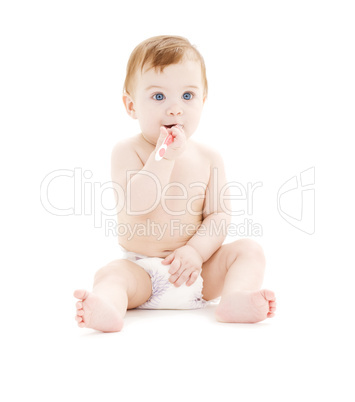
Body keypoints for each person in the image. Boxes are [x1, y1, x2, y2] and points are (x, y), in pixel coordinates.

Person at [74, 35, 276, 332]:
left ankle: (234, 299)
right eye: (158, 97)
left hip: (198, 272)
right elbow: (138, 204)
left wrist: (195, 251)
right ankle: (108, 308)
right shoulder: (127, 151)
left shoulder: (209, 157)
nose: (175, 109)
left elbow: (219, 216)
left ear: (203, 101)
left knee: (249, 251)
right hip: (142, 271)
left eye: (187, 96)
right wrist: (163, 157)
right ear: (131, 106)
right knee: (111, 274)